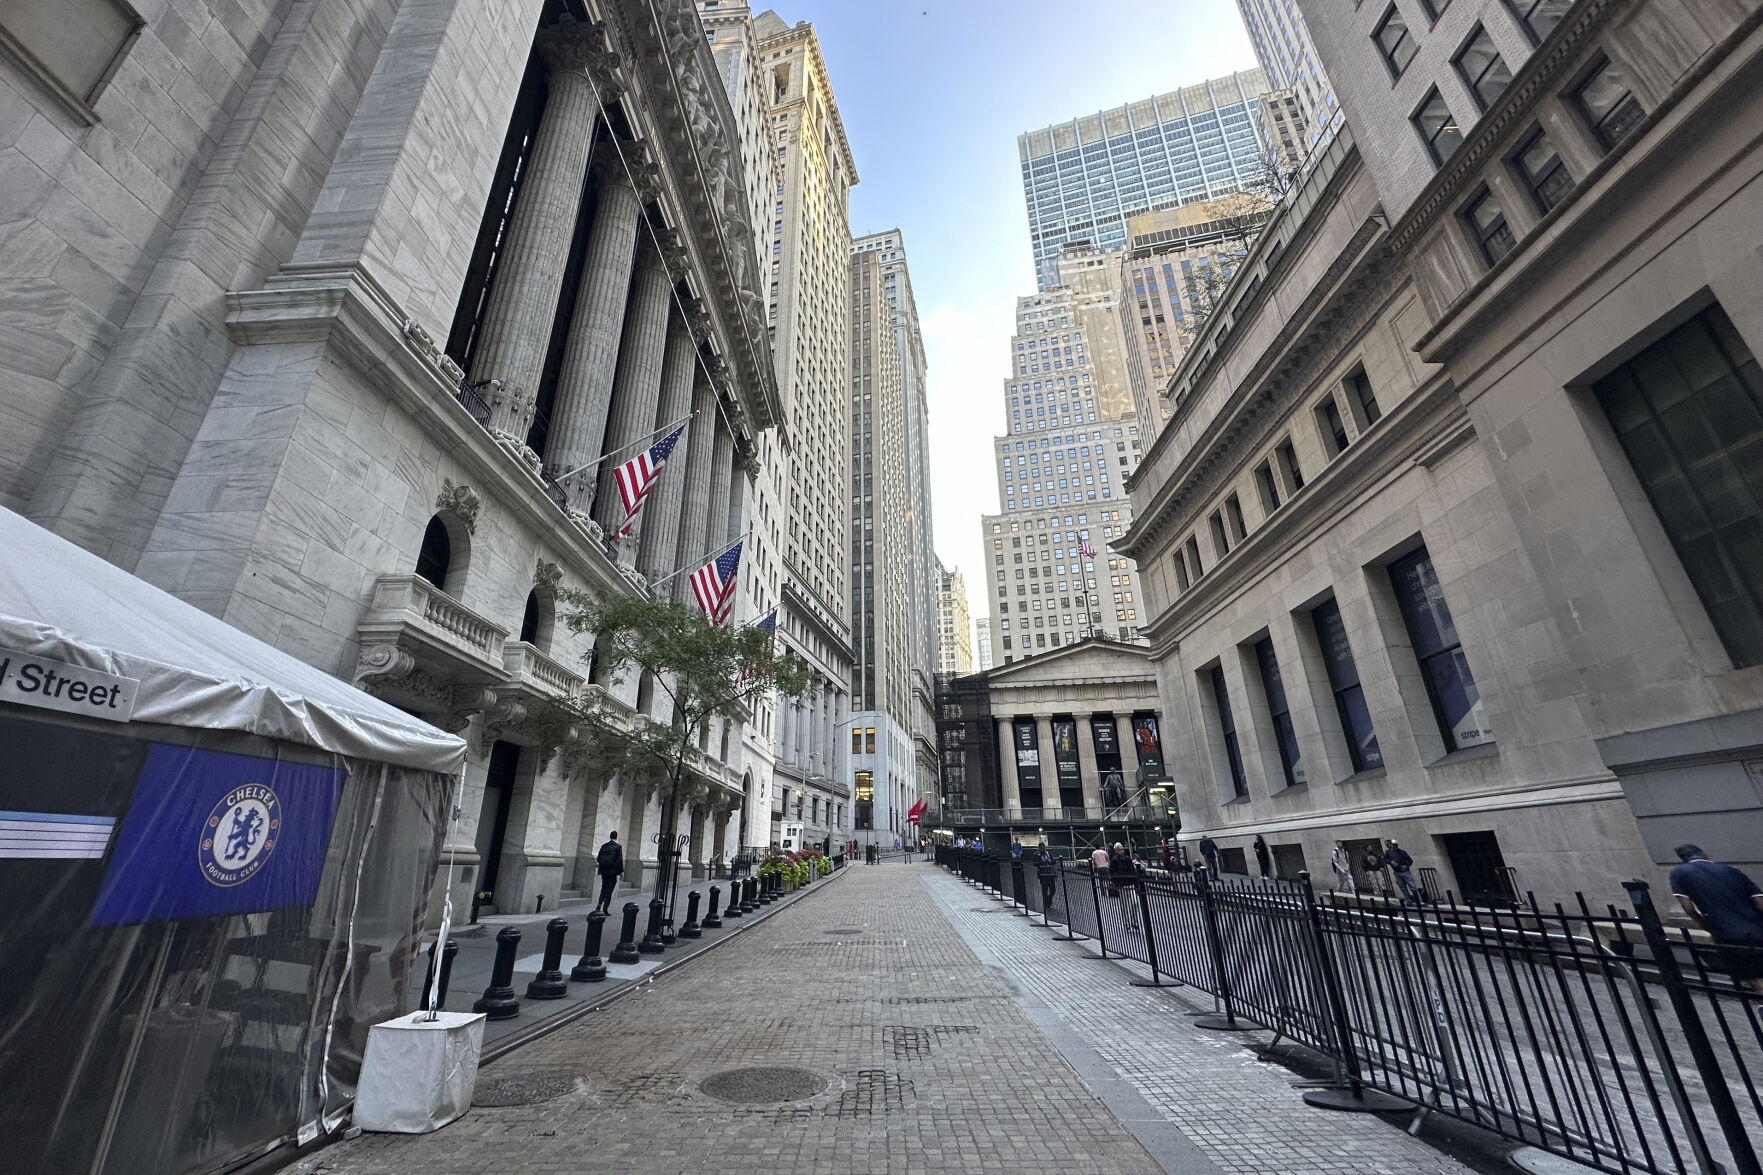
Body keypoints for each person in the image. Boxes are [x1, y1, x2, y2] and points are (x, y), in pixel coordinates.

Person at [1669, 844, 1763, 993]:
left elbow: (1687, 906)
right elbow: (1759, 900)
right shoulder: (1730, 870)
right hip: (1758, 927)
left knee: (1754, 976)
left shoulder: (1679, 873)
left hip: (1727, 932)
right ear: (1704, 854)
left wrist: (1701, 922)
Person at [1109, 842, 1142, 931]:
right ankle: (1128, 922)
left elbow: (1133, 871)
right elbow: (1112, 873)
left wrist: (1136, 883)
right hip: (1122, 885)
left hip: (1129, 884)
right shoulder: (1114, 860)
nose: (1122, 851)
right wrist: (1115, 883)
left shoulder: (1127, 859)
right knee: (1125, 905)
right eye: (1119, 849)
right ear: (1116, 851)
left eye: (1122, 849)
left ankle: (1133, 921)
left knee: (1135, 903)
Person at [1385, 839, 1424, 905]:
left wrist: (1406, 866)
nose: (1393, 846)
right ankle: (1408, 900)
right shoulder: (1388, 852)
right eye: (1392, 845)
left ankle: (1419, 900)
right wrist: (1390, 862)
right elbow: (1385, 859)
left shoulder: (1402, 852)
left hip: (1405, 872)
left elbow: (1410, 860)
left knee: (1412, 886)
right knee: (1402, 887)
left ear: (1397, 845)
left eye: (1395, 845)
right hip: (1397, 872)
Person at [593, 831, 624, 914]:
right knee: (609, 890)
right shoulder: (618, 847)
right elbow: (620, 860)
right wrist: (621, 872)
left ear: (610, 836)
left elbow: (598, 859)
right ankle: (605, 909)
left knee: (603, 888)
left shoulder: (604, 846)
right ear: (616, 837)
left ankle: (599, 904)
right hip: (612, 872)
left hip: (604, 872)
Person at [1035, 843, 1058, 912]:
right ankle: (1046, 904)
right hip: (1043, 875)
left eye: (1043, 847)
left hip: (1050, 874)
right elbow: (1035, 863)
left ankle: (1048, 900)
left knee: (1053, 889)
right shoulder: (1037, 855)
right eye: (1041, 848)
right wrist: (1043, 864)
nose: (1043, 849)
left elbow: (1052, 861)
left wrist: (1052, 862)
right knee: (1044, 890)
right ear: (1039, 848)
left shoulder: (1048, 854)